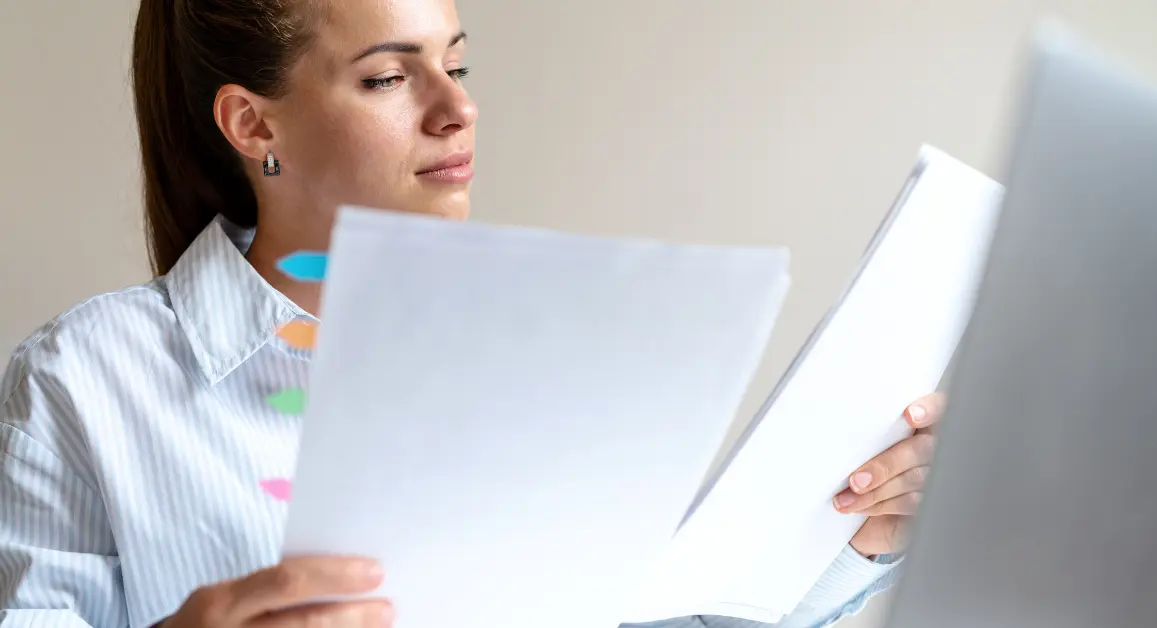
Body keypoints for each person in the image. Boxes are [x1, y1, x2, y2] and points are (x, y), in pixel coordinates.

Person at [0, 0, 946, 626]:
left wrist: (859, 532)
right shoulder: (82, 384)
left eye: (457, 64)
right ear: (254, 125)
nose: (458, 109)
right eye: (387, 76)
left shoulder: (556, 368)